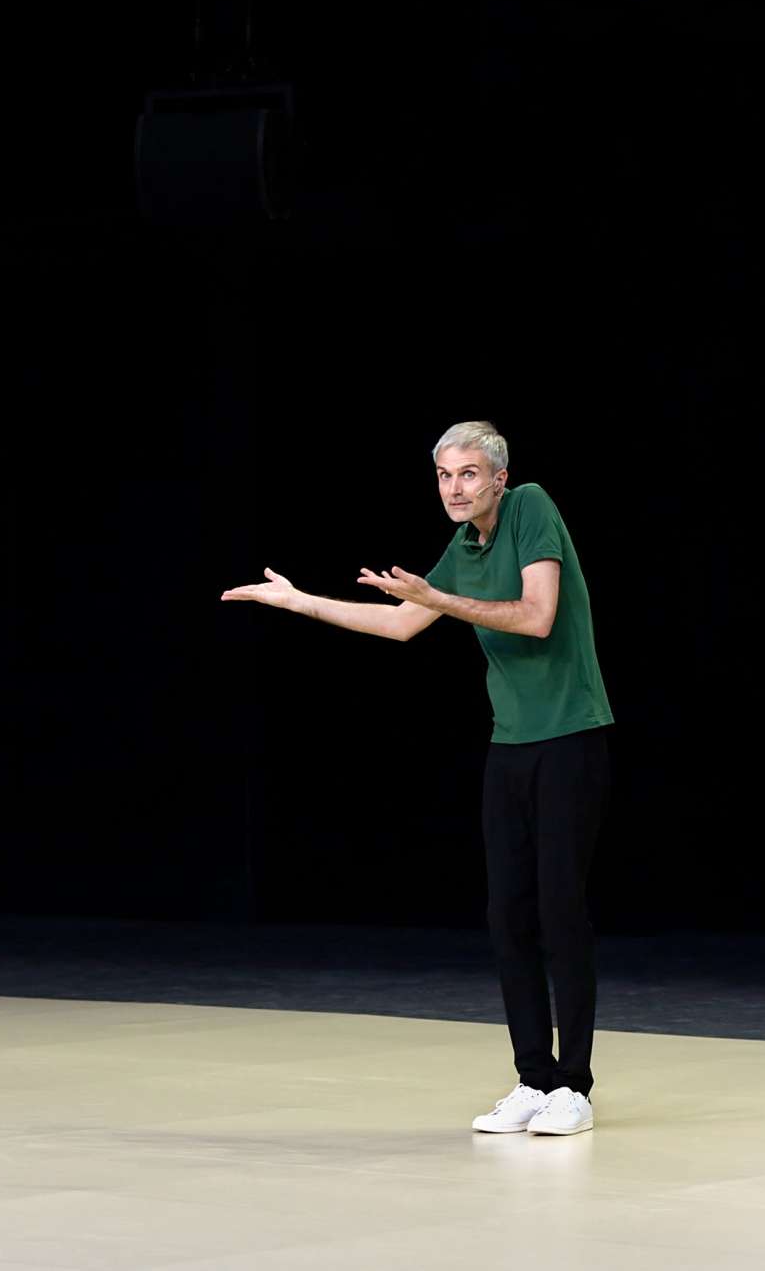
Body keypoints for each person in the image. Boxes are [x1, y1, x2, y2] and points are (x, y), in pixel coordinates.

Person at [220, 421, 614, 1135]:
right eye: (442, 476)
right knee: (506, 916)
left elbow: (537, 615)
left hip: (570, 738)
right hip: (510, 744)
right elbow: (402, 624)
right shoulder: (463, 548)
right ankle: (532, 1079)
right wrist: (299, 602)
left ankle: (574, 1088)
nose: (454, 489)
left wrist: (439, 599)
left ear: (497, 477)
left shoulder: (529, 507)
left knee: (560, 910)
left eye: (467, 474)